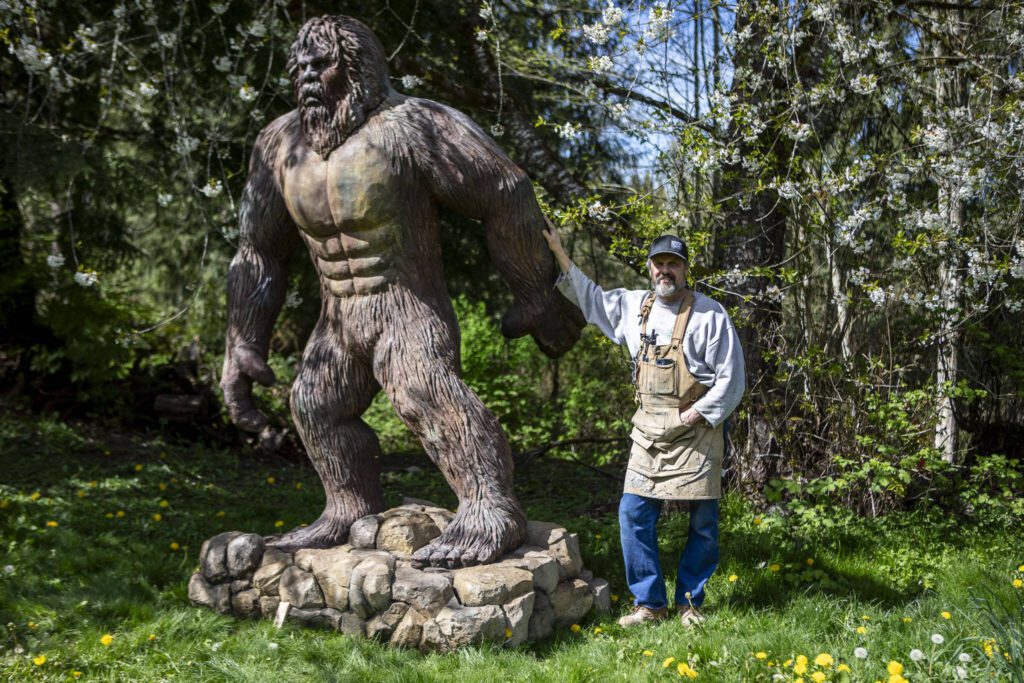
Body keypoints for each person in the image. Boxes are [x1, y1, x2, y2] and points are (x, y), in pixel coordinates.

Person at [542, 220, 745, 627]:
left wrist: (695, 413)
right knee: (633, 512)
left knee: (702, 522)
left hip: (698, 430)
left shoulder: (710, 315)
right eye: (659, 263)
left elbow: (732, 377)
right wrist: (559, 252)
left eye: (674, 263)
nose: (665, 270)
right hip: (648, 430)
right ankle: (649, 604)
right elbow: (590, 298)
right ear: (649, 267)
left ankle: (690, 602)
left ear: (686, 270)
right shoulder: (634, 306)